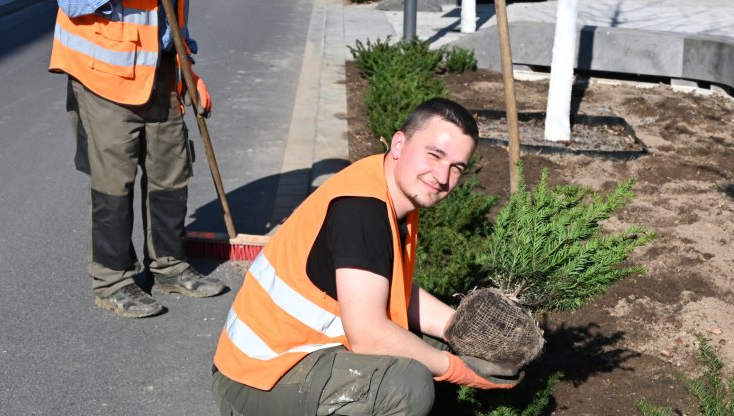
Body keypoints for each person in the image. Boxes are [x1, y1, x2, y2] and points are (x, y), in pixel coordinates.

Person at [211, 98, 521, 416]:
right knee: (406, 386)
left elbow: (393, 292)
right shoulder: (363, 211)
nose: (442, 177)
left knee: (436, 348)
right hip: (255, 380)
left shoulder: (388, 188)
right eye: (435, 155)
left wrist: (460, 328)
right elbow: (368, 334)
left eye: (457, 168)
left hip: (291, 358)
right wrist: (454, 369)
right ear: (399, 143)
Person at [51, 0, 225, 318]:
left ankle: (169, 267)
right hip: (103, 79)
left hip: (160, 72)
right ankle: (113, 282)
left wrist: (186, 66)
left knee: (170, 171)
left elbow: (172, 9)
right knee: (113, 184)